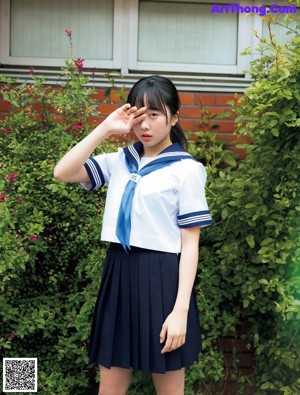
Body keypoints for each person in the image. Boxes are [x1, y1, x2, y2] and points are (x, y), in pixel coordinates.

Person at [54, 75, 213, 395]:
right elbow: (63, 172)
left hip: (163, 279)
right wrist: (105, 128)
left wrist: (180, 309)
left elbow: (190, 242)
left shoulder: (186, 170)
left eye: (155, 114)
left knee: (169, 387)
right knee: (110, 387)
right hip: (119, 273)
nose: (146, 124)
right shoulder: (120, 162)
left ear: (174, 118)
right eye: (139, 114)